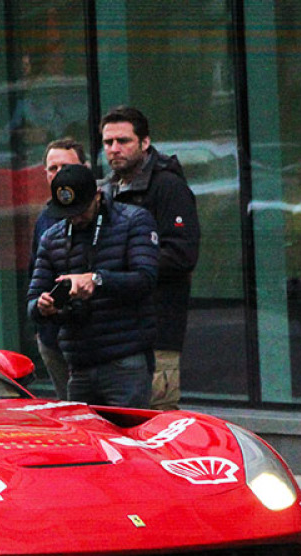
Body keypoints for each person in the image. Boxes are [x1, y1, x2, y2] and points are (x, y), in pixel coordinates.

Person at [28, 163, 159, 408]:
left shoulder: (133, 221)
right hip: (78, 364)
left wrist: (97, 280)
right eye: (69, 213)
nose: (76, 218)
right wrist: (43, 306)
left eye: (82, 210)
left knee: (127, 441)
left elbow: (146, 278)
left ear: (98, 196)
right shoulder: (52, 238)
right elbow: (33, 300)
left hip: (125, 361)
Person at [100, 106, 201, 410]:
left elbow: (183, 255)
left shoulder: (168, 186)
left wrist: (121, 266)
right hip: (115, 332)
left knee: (156, 419)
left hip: (157, 331)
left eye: (123, 140)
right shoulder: (107, 190)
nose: (114, 149)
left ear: (145, 143)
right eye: (108, 143)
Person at [29, 138, 88, 397]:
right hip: (52, 339)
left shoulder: (105, 214)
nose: (57, 175)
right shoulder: (45, 218)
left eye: (65, 167)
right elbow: (36, 275)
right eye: (52, 169)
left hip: (93, 339)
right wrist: (39, 314)